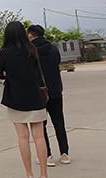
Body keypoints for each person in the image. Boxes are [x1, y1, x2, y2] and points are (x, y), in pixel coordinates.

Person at [0, 21, 48, 178]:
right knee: (39, 137)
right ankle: (44, 174)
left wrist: (8, 73)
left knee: (22, 137)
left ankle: (29, 174)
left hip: (15, 98)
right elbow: (37, 72)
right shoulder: (32, 49)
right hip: (35, 97)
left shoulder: (4, 52)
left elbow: (0, 73)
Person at [27, 24, 70, 166]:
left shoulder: (31, 50)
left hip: (40, 93)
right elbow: (56, 64)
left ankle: (47, 156)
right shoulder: (53, 49)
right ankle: (65, 154)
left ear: (31, 35)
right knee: (59, 122)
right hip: (56, 91)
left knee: (41, 126)